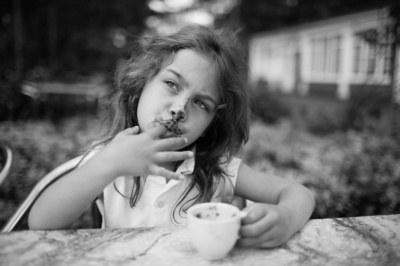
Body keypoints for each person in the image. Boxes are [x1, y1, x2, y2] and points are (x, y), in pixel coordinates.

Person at [28, 24, 315, 248]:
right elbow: (40, 224)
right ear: (141, 85)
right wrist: (108, 164)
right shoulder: (108, 160)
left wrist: (287, 217)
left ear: (212, 122)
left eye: (201, 103)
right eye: (171, 84)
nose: (179, 110)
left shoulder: (217, 171)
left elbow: (298, 193)